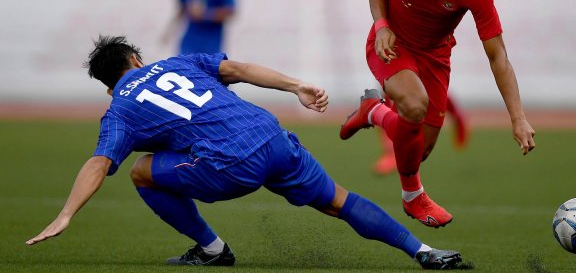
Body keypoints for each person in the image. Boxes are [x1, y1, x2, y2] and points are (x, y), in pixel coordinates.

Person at [26, 36, 463, 269]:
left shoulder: (118, 108)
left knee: (141, 170)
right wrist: (297, 86)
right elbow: (239, 70)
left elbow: (99, 163)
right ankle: (423, 251)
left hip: (228, 164)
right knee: (338, 200)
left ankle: (212, 250)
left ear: (108, 84)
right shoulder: (178, 63)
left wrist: (66, 214)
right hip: (271, 136)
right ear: (137, 59)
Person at [340, 0, 536, 228]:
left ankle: (372, 111)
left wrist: (518, 118)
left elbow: (498, 55)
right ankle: (413, 197)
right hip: (391, 45)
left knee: (416, 152)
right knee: (414, 106)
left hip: (435, 56)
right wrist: (381, 25)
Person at [374, 0, 470, 176]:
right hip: (399, 39)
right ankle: (388, 152)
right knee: (394, 95)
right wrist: (383, 27)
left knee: (421, 104)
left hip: (430, 45)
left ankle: (457, 117)